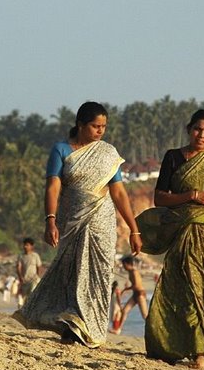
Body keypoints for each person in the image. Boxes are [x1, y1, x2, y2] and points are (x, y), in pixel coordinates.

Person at [13, 101, 142, 347]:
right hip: (71, 219)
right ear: (80, 125)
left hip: (102, 220)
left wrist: (134, 228)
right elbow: (53, 187)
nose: (100, 131)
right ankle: (71, 326)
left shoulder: (107, 153)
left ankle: (89, 329)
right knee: (71, 272)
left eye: (104, 126)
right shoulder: (61, 150)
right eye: (95, 126)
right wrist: (50, 220)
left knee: (100, 273)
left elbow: (119, 193)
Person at [138, 109, 204, 370]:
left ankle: (199, 353)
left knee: (202, 290)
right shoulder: (173, 157)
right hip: (182, 231)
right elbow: (160, 198)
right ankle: (170, 346)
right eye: (198, 129)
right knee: (177, 287)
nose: (202, 135)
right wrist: (192, 195)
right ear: (189, 129)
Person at [110, 255, 148, 334]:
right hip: (135, 294)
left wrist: (125, 289)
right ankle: (118, 329)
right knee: (124, 311)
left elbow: (137, 285)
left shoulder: (134, 272)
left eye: (124, 265)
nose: (123, 267)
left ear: (128, 264)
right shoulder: (130, 272)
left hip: (140, 294)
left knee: (145, 316)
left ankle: (152, 330)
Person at [15, 238, 43, 306]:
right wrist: (20, 277)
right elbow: (18, 267)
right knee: (23, 297)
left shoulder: (35, 256)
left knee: (32, 294)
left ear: (31, 246)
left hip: (33, 279)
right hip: (24, 280)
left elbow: (39, 267)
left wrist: (37, 276)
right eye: (24, 245)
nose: (25, 246)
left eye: (27, 245)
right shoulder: (21, 256)